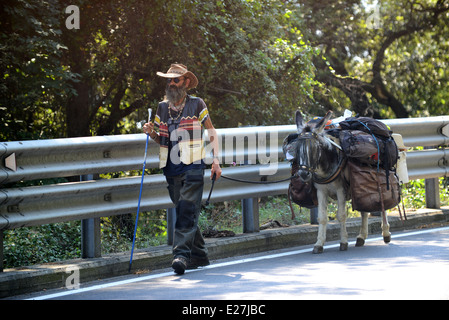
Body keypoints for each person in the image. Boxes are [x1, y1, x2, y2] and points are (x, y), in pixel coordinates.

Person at [143, 63, 222, 275]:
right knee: (183, 209)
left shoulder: (197, 104)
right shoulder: (161, 107)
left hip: (194, 165)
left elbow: (211, 131)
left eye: (175, 80)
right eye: (168, 80)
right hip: (170, 166)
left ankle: (181, 256)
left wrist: (216, 160)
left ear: (186, 82)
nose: (170, 84)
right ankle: (199, 255)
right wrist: (150, 133)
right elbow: (161, 138)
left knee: (187, 209)